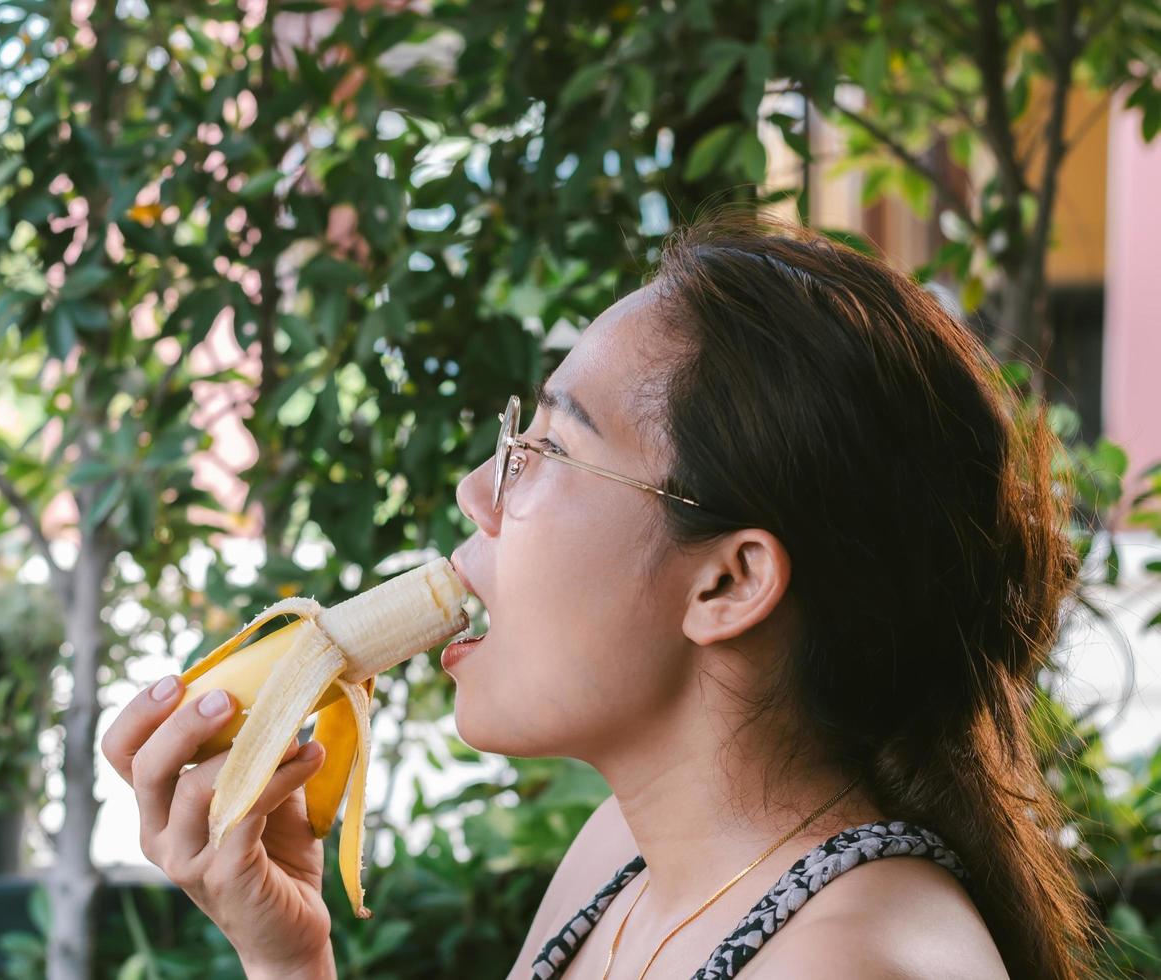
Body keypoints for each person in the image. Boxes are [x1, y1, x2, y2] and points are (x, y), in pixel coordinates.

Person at [100, 213, 1105, 978]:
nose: (477, 490)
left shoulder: (856, 961)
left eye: (544, 448)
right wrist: (286, 956)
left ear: (728, 579)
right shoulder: (623, 855)